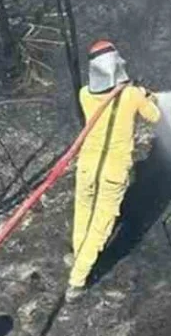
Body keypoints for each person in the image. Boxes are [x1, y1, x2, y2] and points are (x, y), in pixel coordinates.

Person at [66, 40, 161, 301]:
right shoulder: (131, 96)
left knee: (83, 213)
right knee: (101, 224)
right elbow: (155, 116)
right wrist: (147, 95)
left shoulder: (84, 93)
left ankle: (78, 256)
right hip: (113, 172)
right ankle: (77, 281)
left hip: (87, 168)